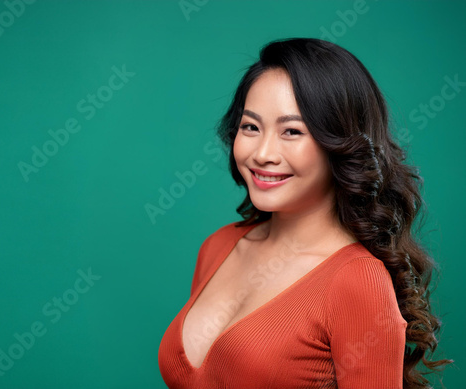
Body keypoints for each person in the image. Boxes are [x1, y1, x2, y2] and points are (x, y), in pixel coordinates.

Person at [158, 37, 453, 389]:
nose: (263, 153)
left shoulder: (358, 282)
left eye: (292, 131)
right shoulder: (218, 246)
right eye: (251, 126)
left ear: (340, 144)